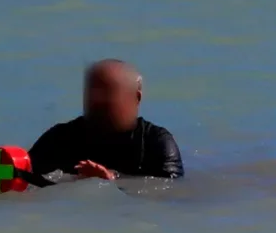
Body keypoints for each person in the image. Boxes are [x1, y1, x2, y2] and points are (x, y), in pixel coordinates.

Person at [28, 59, 184, 181]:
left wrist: (113, 180)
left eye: (107, 96)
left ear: (135, 98)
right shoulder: (61, 138)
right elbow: (24, 174)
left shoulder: (155, 143)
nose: (97, 101)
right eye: (92, 95)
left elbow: (170, 194)